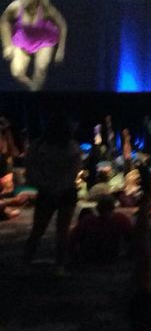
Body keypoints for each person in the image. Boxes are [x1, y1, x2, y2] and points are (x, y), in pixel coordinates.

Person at [23, 115, 82, 276]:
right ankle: (59, 266)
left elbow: (30, 171)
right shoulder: (72, 147)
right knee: (62, 231)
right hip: (66, 192)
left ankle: (26, 262)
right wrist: (59, 188)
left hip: (46, 192)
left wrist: (45, 186)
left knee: (38, 230)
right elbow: (72, 173)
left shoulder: (36, 146)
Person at [1, 0, 67, 91]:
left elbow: (62, 25)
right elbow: (4, 21)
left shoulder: (45, 8)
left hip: (43, 39)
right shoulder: (15, 7)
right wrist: (7, 44)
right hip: (23, 39)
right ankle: (33, 89)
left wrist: (61, 49)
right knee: (17, 72)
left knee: (41, 68)